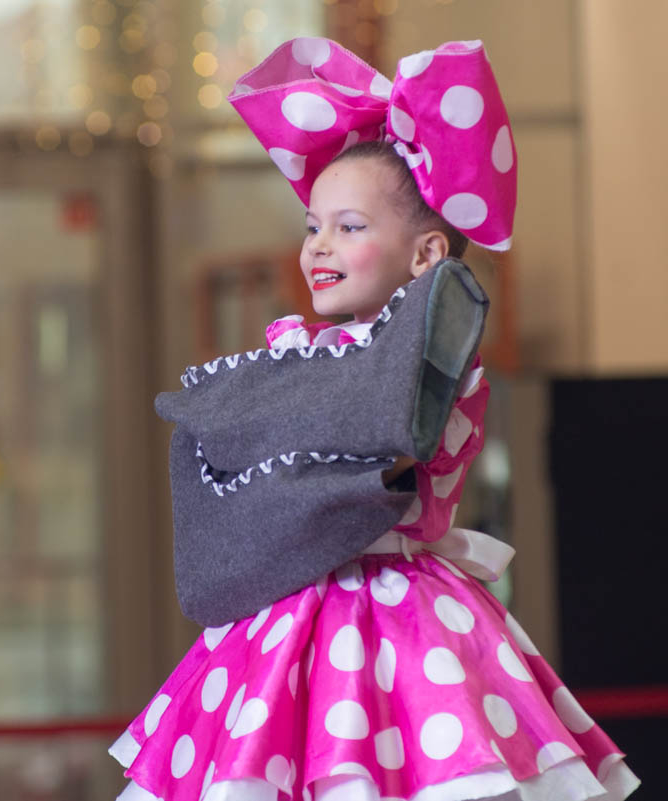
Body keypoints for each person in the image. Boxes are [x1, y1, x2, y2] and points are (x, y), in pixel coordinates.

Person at [108, 37, 640, 801]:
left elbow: (371, 436)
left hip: (398, 617)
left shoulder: (437, 357)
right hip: (288, 615)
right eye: (312, 226)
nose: (319, 247)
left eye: (349, 227)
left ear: (427, 255)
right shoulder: (304, 352)